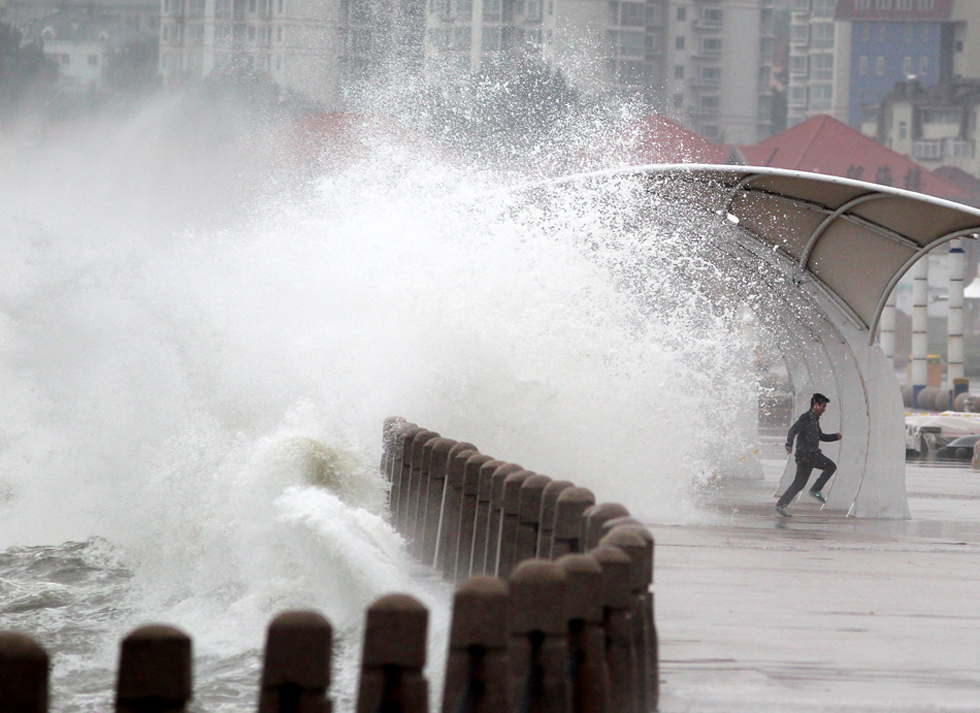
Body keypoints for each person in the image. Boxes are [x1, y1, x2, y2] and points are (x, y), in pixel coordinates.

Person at [776, 393, 842, 517]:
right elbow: (792, 431)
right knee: (802, 482)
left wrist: (835, 436)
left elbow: (821, 437)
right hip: (805, 456)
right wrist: (788, 444)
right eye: (823, 406)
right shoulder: (805, 418)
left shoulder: (815, 420)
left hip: (812, 455)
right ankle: (783, 504)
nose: (824, 410)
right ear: (815, 405)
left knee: (827, 468)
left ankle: (812, 490)